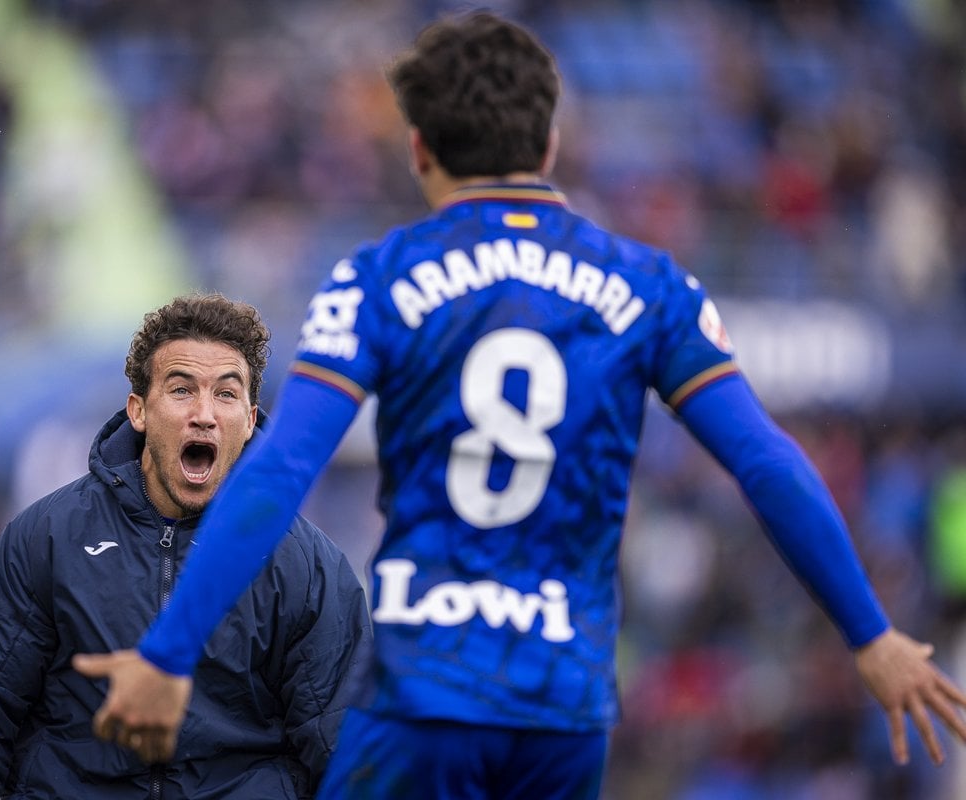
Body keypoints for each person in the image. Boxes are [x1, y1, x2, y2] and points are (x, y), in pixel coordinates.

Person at [72, 11, 966, 799]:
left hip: (424, 697)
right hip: (565, 714)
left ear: (418, 146)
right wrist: (872, 635)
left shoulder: (380, 277)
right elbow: (764, 462)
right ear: (547, 145)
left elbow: (280, 470)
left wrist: (170, 651)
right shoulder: (653, 288)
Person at [0, 293, 372, 799]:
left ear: (249, 418)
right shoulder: (45, 538)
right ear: (138, 410)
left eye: (226, 394)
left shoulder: (307, 566)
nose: (204, 414)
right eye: (182, 390)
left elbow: (348, 751)